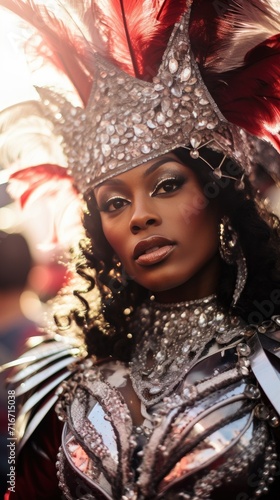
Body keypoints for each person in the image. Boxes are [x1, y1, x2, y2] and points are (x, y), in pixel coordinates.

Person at [1, 1, 280, 499]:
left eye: (167, 185)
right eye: (113, 203)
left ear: (222, 196)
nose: (139, 216)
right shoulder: (44, 379)